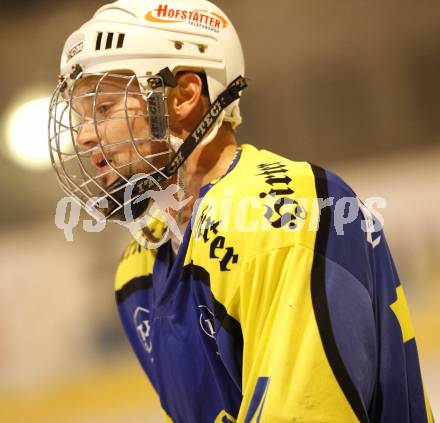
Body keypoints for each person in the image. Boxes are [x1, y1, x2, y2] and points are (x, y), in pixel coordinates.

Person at [48, 0, 434, 422]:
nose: (84, 136)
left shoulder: (286, 214)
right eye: (83, 116)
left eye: (104, 109)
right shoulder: (136, 276)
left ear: (184, 96)